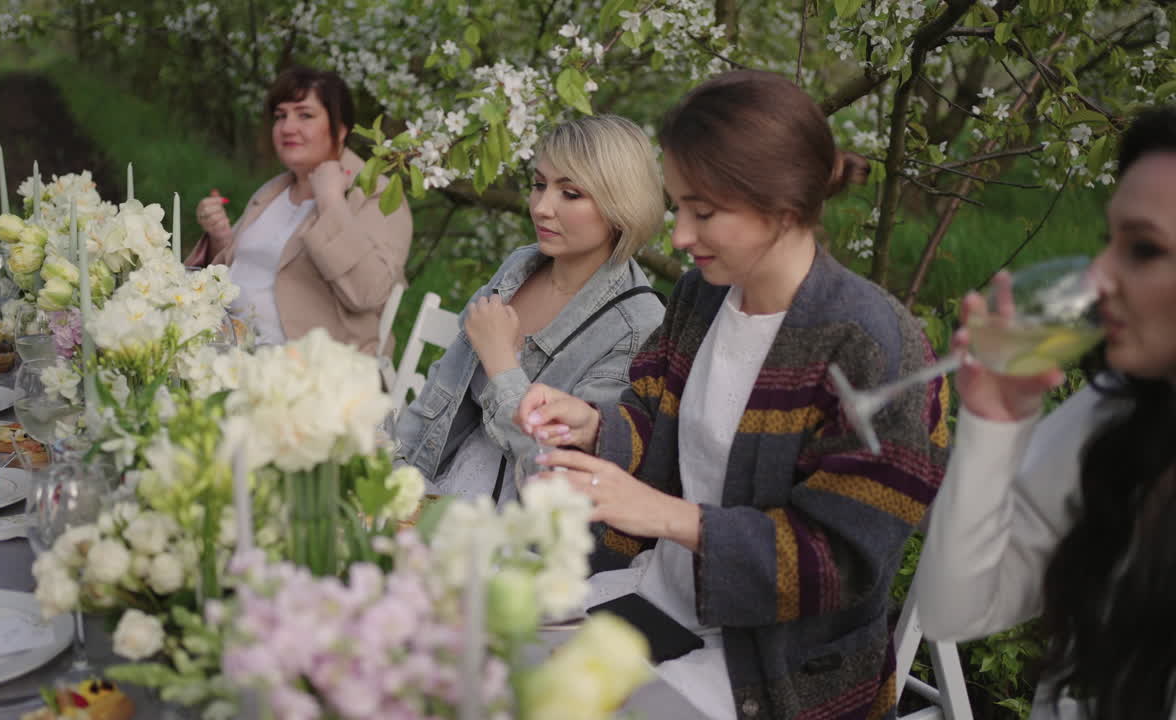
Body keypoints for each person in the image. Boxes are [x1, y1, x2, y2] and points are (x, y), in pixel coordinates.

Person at [516, 71, 951, 720]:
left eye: (703, 212)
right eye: (679, 207)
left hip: (774, 670)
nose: (681, 237)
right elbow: (652, 413)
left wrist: (663, 515)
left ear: (780, 209)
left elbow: (841, 563)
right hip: (654, 601)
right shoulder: (703, 296)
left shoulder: (875, 349)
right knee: (474, 661)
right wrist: (595, 427)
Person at [916, 107, 1176, 720]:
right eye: (1107, 241)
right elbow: (953, 609)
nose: (1099, 276)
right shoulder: (1113, 416)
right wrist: (994, 424)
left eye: (1144, 249)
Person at [394, 115, 665, 504]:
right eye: (539, 185)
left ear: (621, 204)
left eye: (570, 194)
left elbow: (559, 476)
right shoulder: (519, 268)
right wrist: (394, 476)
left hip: (516, 532)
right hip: (437, 487)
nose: (541, 207)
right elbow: (442, 390)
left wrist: (502, 364)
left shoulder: (638, 327)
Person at [186, 66, 412, 353]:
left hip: (308, 370)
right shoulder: (274, 190)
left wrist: (331, 203)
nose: (287, 127)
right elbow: (240, 268)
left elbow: (369, 293)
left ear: (340, 129)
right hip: (224, 345)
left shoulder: (376, 195)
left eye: (305, 115)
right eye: (281, 116)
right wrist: (220, 237)